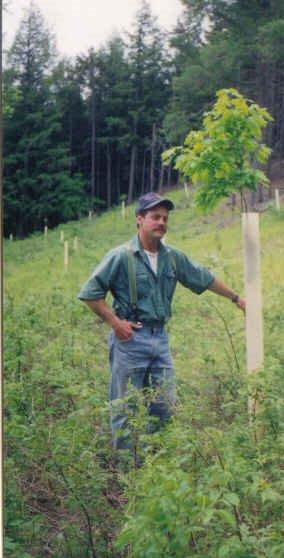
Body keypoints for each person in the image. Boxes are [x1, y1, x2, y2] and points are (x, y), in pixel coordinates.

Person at [78, 192, 245, 458]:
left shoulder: (173, 257)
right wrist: (115, 323)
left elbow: (204, 278)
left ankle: (159, 465)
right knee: (125, 408)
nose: (161, 223)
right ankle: (128, 474)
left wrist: (236, 298)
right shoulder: (121, 256)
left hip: (160, 339)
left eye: (165, 218)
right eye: (155, 217)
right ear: (139, 219)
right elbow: (90, 293)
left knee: (164, 407)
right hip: (130, 340)